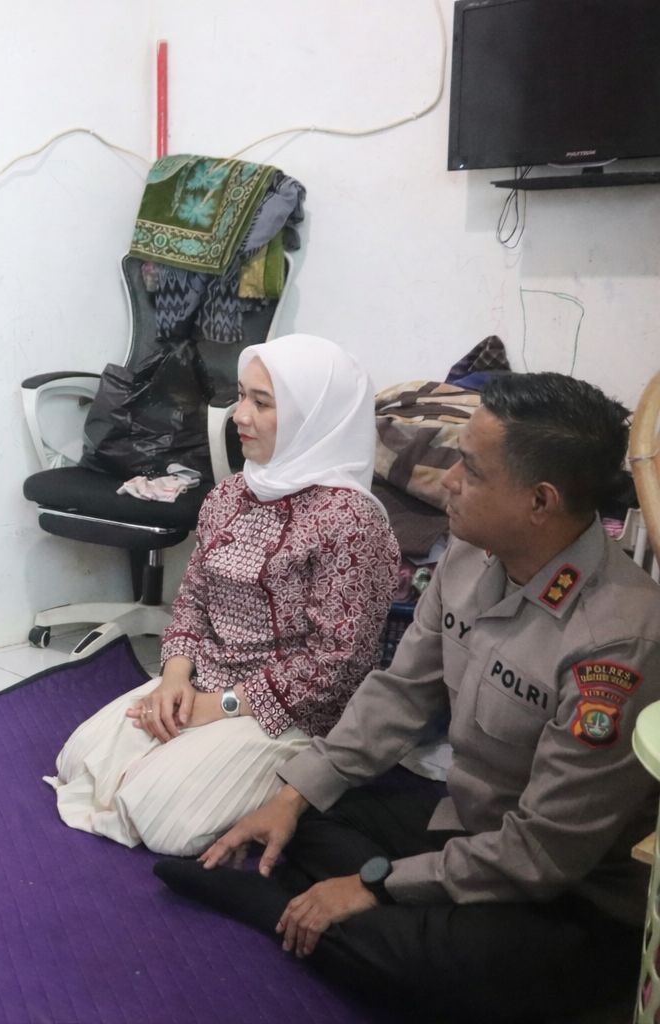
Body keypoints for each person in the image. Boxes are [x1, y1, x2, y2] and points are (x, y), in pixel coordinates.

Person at [158, 372, 658, 1023]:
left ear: (540, 501)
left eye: (471, 469)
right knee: (306, 818)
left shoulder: (617, 641)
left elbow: (543, 853)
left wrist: (376, 885)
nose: (447, 481)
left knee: (426, 967)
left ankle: (289, 911)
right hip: (466, 824)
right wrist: (291, 797)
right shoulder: (472, 557)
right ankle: (340, 911)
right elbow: (399, 693)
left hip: (565, 890)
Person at [47, 334, 399, 856]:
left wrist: (221, 707)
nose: (239, 415)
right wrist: (174, 679)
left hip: (294, 713)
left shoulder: (351, 521)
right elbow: (192, 601)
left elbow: (337, 662)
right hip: (208, 678)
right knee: (78, 760)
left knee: (162, 820)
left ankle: (286, 776)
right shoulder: (232, 493)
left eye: (262, 402)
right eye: (240, 396)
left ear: (313, 417)